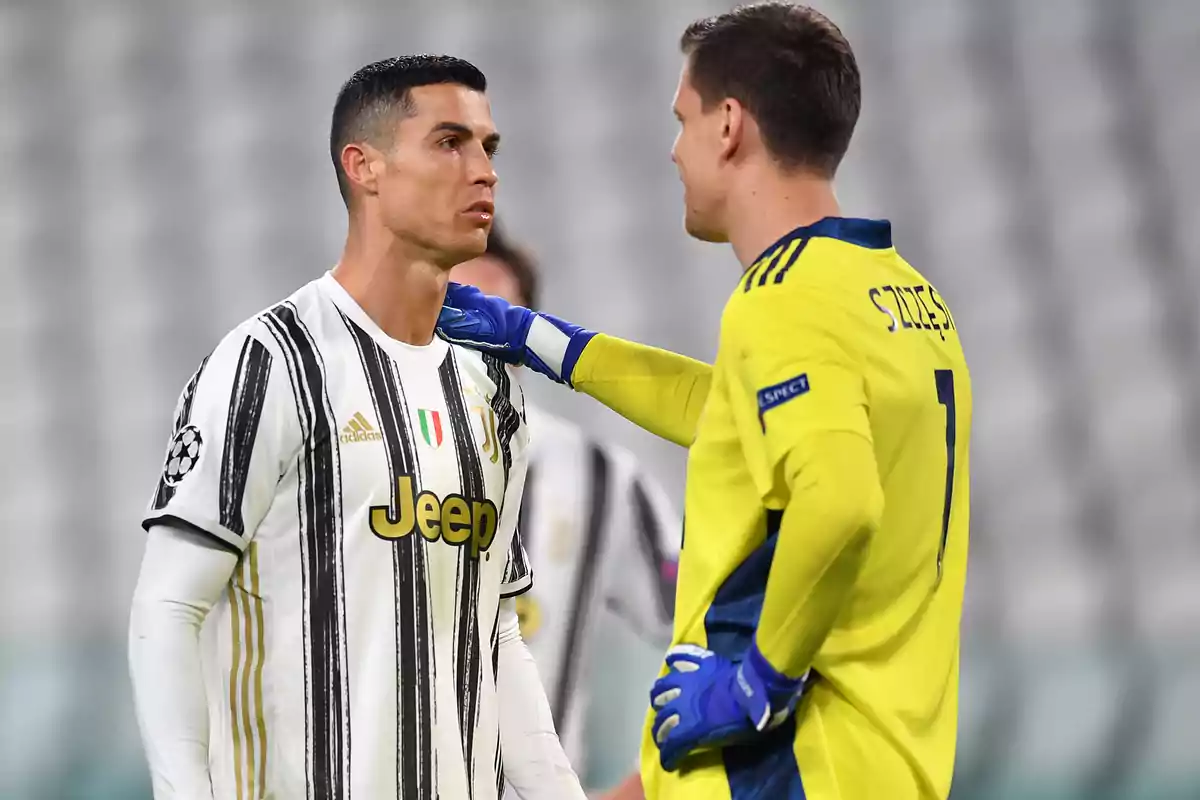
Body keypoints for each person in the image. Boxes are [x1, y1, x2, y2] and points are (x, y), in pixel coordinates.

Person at [435, 3, 973, 799]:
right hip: (884, 760)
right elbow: (733, 417)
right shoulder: (900, 293)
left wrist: (759, 682)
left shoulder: (783, 302)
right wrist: (543, 341)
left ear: (730, 126)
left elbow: (841, 500)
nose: (674, 150)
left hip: (793, 767)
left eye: (683, 120)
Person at [128, 55, 586, 800]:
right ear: (363, 166)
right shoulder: (270, 361)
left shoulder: (492, 387)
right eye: (449, 142)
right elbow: (169, 606)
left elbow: (494, 634)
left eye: (488, 147)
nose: (483, 171)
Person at [450, 224, 682, 800]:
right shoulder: (342, 466)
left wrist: (643, 786)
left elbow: (722, 635)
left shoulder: (600, 477)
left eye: (495, 322)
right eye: (450, 317)